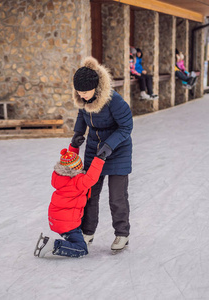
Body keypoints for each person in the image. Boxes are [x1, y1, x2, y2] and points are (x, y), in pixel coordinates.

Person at [71, 56, 133, 252]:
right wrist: (78, 134)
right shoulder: (83, 98)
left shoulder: (113, 100)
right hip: (93, 150)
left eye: (85, 92)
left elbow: (126, 126)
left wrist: (109, 146)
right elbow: (82, 115)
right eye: (79, 92)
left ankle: (122, 234)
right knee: (89, 194)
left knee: (117, 196)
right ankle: (87, 232)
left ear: (96, 88)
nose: (82, 95)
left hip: (118, 151)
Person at [34, 148, 105, 258]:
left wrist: (73, 147)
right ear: (77, 168)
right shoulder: (77, 181)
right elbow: (91, 178)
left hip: (56, 219)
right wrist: (99, 159)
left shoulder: (58, 177)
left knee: (79, 241)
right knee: (82, 249)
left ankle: (51, 243)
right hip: (68, 224)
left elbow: (69, 160)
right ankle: (53, 245)